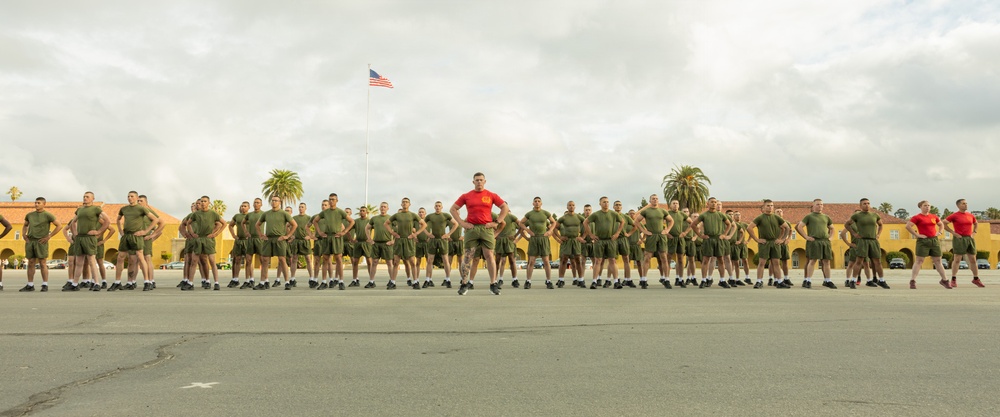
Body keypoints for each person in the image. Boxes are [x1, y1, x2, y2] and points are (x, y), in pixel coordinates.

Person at [450, 172, 509, 296]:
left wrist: (496, 222)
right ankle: (464, 283)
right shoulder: (466, 196)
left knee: (489, 256)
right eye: (477, 180)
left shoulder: (491, 195)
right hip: (471, 229)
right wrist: (462, 223)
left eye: (481, 180)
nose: (479, 182)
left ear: (485, 181)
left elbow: (504, 207)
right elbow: (453, 209)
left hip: (486, 228)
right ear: (473, 182)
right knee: (468, 256)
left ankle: (493, 284)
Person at [113, 191, 160, 291]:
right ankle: (117, 282)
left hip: (137, 236)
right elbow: (118, 219)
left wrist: (146, 231)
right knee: (120, 257)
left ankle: (147, 282)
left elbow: (156, 220)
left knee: (141, 257)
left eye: (132, 196)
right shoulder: (124, 209)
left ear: (136, 197)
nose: (130, 198)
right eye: (128, 196)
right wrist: (120, 231)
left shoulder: (141, 208)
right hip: (126, 236)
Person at [63, 192, 111, 291]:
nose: (85, 198)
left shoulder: (96, 209)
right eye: (84, 196)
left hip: (90, 238)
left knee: (91, 261)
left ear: (93, 198)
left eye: (87, 197)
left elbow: (107, 221)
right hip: (80, 238)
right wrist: (75, 233)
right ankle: (75, 284)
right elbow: (73, 222)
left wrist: (98, 232)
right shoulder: (79, 210)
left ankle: (96, 283)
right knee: (79, 262)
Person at [181, 196, 225, 290]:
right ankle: (190, 283)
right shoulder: (196, 214)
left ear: (209, 203)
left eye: (205, 201)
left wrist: (215, 233)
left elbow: (223, 223)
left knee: (212, 261)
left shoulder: (213, 213)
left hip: (208, 240)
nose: (203, 203)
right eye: (201, 201)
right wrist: (191, 233)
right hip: (198, 239)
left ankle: (216, 283)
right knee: (194, 261)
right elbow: (187, 223)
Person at [845, 198, 889, 289]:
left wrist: (878, 234)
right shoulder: (857, 216)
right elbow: (847, 224)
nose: (867, 205)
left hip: (873, 240)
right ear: (860, 206)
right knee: (859, 261)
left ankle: (881, 280)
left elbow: (881, 224)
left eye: (868, 203)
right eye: (864, 203)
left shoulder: (874, 215)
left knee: (877, 262)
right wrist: (854, 234)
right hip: (862, 240)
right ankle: (853, 280)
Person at [634, 194, 676, 289]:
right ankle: (644, 280)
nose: (655, 200)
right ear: (650, 201)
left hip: (661, 236)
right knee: (647, 257)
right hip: (651, 236)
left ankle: (666, 279)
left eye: (656, 199)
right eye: (653, 199)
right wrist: (644, 231)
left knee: (664, 257)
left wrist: (667, 230)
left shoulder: (662, 211)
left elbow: (671, 221)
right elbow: (636, 221)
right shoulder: (646, 211)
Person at [313, 193, 354, 290]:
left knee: (339, 259)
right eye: (330, 199)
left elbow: (352, 221)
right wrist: (319, 232)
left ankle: (341, 281)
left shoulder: (340, 212)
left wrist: (344, 232)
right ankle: (324, 282)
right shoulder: (325, 212)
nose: (331, 201)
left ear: (337, 200)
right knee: (325, 259)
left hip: (336, 237)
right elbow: (315, 221)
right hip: (327, 237)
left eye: (333, 199)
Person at [906, 200, 950, 289]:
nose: (927, 207)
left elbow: (941, 225)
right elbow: (908, 226)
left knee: (938, 261)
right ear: (921, 207)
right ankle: (912, 280)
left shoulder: (934, 216)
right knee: (919, 261)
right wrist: (917, 235)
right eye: (925, 205)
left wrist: (940, 232)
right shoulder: (917, 217)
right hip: (923, 241)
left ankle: (944, 280)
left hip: (934, 240)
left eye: (929, 205)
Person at [20, 197, 62, 292]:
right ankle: (30, 285)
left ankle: (45, 284)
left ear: (44, 204)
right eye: (35, 202)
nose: (36, 204)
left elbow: (59, 225)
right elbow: (25, 225)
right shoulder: (29, 215)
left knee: (43, 263)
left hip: (41, 241)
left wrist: (49, 236)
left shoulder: (48, 215)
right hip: (30, 241)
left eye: (38, 203)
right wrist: (23, 234)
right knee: (31, 262)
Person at [255, 196, 297, 290]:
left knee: (282, 260)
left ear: (280, 202)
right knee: (265, 260)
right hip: (268, 239)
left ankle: (287, 282)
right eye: (272, 200)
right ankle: (262, 282)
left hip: (280, 239)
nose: (274, 202)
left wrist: (287, 236)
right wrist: (261, 235)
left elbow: (294, 225)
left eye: (276, 201)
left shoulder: (284, 213)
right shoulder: (266, 214)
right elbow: (257, 224)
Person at [746, 199, 790, 289]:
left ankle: (779, 281)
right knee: (762, 262)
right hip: (764, 242)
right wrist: (756, 239)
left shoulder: (777, 217)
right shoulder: (760, 217)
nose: (770, 207)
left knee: (776, 262)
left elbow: (787, 228)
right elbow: (749, 228)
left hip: (775, 242)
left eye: (771, 206)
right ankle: (759, 281)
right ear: (764, 207)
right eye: (768, 206)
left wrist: (782, 239)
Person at [690, 197, 732, 288]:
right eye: (712, 202)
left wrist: (724, 234)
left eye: (715, 202)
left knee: (721, 259)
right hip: (708, 239)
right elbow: (693, 225)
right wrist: (700, 235)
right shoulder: (704, 215)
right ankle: (704, 280)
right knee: (705, 260)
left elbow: (729, 224)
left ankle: (722, 280)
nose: (714, 204)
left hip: (718, 239)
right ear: (707, 204)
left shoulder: (721, 215)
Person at [584, 197, 625, 289]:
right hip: (600, 240)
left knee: (612, 260)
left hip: (610, 240)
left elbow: (622, 221)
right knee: (598, 261)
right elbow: (585, 222)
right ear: (600, 204)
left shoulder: (613, 214)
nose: (606, 204)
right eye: (604, 202)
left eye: (607, 202)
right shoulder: (596, 214)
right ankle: (594, 281)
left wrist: (617, 233)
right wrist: (591, 234)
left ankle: (616, 281)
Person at [795, 199, 837, 289]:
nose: (820, 206)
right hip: (814, 241)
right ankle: (808, 280)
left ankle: (828, 280)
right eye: (818, 204)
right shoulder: (809, 216)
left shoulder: (826, 217)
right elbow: (799, 226)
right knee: (813, 261)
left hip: (825, 241)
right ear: (813, 206)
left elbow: (832, 228)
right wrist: (806, 237)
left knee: (826, 261)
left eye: (821, 204)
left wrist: (831, 238)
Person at [943, 199, 985, 288]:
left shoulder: (970, 215)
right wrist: (953, 232)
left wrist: (974, 232)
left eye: (966, 203)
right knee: (957, 259)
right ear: (958, 205)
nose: (965, 205)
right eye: (963, 204)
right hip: (959, 238)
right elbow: (944, 223)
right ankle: (953, 279)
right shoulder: (954, 215)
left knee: (973, 259)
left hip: (969, 238)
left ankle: (976, 279)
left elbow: (976, 223)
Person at [386, 198, 426, 290]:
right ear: (401, 204)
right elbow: (386, 223)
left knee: (412, 262)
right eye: (403, 202)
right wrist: (393, 233)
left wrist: (415, 234)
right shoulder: (397, 215)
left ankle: (415, 282)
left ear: (409, 204)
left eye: (406, 202)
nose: (405, 203)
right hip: (399, 240)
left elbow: (424, 225)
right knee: (396, 262)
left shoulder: (413, 215)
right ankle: (393, 282)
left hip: (409, 240)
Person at [519, 197, 557, 289]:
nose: (537, 203)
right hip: (534, 238)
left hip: (543, 238)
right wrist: (527, 230)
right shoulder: (529, 214)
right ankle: (528, 281)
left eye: (538, 201)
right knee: (531, 261)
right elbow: (521, 223)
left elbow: (553, 222)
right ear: (533, 203)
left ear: (541, 203)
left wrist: (550, 230)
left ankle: (548, 281)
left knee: (546, 261)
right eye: (535, 201)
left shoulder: (545, 213)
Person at [424, 201, 458, 288]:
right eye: (436, 206)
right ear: (434, 207)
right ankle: (428, 280)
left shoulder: (446, 215)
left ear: (442, 207)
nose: (437, 207)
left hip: (443, 240)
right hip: (433, 240)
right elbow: (422, 225)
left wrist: (448, 234)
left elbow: (455, 224)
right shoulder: (430, 216)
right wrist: (428, 234)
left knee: (445, 260)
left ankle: (448, 279)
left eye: (439, 206)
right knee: (430, 260)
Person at [554, 201, 586, 288]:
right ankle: (561, 280)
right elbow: (555, 228)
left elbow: (587, 225)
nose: (571, 207)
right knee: (564, 260)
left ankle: (581, 280)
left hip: (576, 240)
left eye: (573, 205)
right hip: (567, 241)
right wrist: (560, 237)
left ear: (575, 207)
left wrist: (582, 237)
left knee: (577, 260)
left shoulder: (579, 217)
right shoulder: (563, 218)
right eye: (569, 205)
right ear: (567, 207)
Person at [366, 202, 395, 288]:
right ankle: (371, 282)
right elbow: (367, 228)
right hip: (376, 243)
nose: (383, 208)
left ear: (387, 208)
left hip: (387, 243)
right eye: (381, 207)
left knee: (389, 262)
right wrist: (370, 239)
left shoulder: (391, 218)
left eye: (384, 207)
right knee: (374, 262)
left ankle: (392, 281)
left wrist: (393, 241)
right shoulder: (374, 218)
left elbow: (398, 230)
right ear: (379, 208)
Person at [137, 195, 163, 290]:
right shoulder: (137, 212)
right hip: (137, 238)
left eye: (141, 201)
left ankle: (151, 280)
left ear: (146, 202)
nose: (139, 202)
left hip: (145, 238)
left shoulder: (149, 212)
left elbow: (161, 224)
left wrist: (152, 236)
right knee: (139, 259)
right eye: (138, 201)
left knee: (147, 258)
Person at [240, 198, 265, 289]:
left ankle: (264, 281)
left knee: (263, 260)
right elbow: (243, 223)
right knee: (248, 260)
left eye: (258, 203)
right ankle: (248, 280)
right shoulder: (249, 215)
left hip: (260, 239)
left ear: (261, 204)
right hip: (251, 239)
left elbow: (269, 223)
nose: (256, 204)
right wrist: (246, 232)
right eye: (255, 202)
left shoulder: (263, 214)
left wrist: (265, 234)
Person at [612, 200, 637, 288]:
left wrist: (629, 234)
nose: (618, 206)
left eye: (619, 205)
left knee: (626, 259)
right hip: (613, 239)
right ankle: (616, 279)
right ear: (613, 207)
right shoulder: (611, 215)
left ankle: (628, 279)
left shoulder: (626, 217)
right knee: (613, 260)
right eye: (616, 205)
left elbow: (635, 225)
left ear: (621, 207)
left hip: (623, 239)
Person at [227, 201, 251, 288]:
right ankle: (235, 279)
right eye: (242, 206)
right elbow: (230, 225)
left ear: (249, 207)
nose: (243, 208)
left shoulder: (250, 215)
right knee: (237, 260)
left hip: (248, 241)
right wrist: (233, 235)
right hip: (239, 240)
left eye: (245, 206)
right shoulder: (237, 216)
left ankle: (249, 280)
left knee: (248, 261)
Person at [348, 206, 372, 287]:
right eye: (361, 211)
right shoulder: (356, 221)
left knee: (369, 262)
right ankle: (355, 280)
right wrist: (351, 239)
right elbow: (347, 229)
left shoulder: (369, 221)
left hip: (366, 243)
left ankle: (371, 280)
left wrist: (371, 239)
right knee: (355, 262)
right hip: (358, 243)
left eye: (363, 211)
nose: (362, 212)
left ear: (366, 212)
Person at [730, 211, 751, 285]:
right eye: (736, 215)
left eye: (739, 215)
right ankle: (732, 278)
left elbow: (750, 232)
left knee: (745, 260)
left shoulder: (744, 224)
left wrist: (748, 240)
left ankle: (747, 277)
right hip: (735, 245)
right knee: (734, 262)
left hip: (743, 245)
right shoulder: (732, 224)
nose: (738, 216)